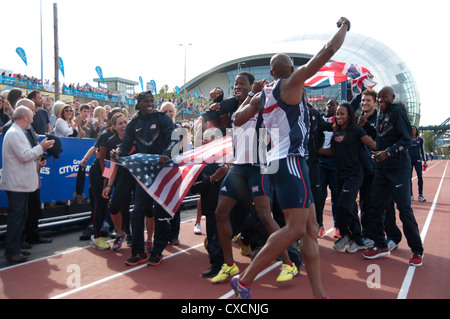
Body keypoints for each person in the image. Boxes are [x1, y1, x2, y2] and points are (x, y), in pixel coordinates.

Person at [231, 17, 352, 299]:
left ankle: (319, 294)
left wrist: (251, 95)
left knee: (310, 229)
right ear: (287, 70)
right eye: (291, 65)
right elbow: (326, 52)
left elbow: (237, 119)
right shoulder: (292, 82)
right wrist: (344, 27)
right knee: (296, 228)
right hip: (291, 162)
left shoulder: (262, 96)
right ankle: (245, 280)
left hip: (281, 162)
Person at [212, 72, 298, 284]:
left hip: (259, 166)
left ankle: (288, 263)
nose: (237, 87)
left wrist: (257, 94)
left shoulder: (263, 103)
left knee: (264, 215)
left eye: (243, 84)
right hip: (238, 166)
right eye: (236, 84)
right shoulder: (237, 106)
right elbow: (235, 119)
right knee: (220, 212)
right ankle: (229, 265)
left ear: (253, 86)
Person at [112, 91, 177, 266]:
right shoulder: (133, 123)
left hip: (163, 171)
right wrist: (118, 152)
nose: (150, 104)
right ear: (138, 104)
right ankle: (138, 251)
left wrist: (166, 154)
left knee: (160, 213)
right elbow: (126, 144)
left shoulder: (162, 118)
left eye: (152, 101)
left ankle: (157, 251)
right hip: (145, 174)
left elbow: (174, 139)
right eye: (146, 102)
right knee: (137, 211)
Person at [362, 86, 424, 266]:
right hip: (382, 168)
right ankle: (381, 245)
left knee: (404, 209)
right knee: (375, 206)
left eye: (384, 98)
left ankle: (417, 251)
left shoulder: (397, 111)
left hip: (398, 168)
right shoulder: (382, 113)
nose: (381, 101)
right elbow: (382, 137)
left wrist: (386, 153)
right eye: (379, 98)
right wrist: (367, 127)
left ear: (392, 97)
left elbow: (406, 140)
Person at [318, 103, 376, 253]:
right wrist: (315, 150)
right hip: (340, 174)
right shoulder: (336, 132)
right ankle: (350, 236)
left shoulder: (357, 130)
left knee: (345, 204)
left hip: (355, 173)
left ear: (349, 115)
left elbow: (373, 144)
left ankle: (354, 237)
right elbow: (332, 151)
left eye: (342, 114)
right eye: (337, 114)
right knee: (345, 206)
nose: (339, 117)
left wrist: (389, 150)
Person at [0, 106, 54, 263]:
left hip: (21, 183)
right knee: (16, 217)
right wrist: (41, 147)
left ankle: (15, 248)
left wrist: (37, 161)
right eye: (31, 116)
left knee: (21, 216)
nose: (33, 118)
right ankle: (12, 251)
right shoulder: (15, 133)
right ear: (24, 117)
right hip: (17, 184)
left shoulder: (17, 132)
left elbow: (24, 157)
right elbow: (24, 156)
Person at [190, 128, 229, 278]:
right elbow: (193, 189)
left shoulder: (228, 158)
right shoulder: (199, 164)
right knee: (214, 238)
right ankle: (217, 265)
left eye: (214, 139)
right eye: (208, 140)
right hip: (212, 208)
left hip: (230, 207)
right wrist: (212, 178)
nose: (210, 143)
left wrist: (230, 170)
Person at [101, 112, 133, 251]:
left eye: (125, 122)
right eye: (120, 123)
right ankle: (121, 234)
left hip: (136, 176)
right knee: (117, 207)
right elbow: (109, 164)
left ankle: (138, 237)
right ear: (114, 126)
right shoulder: (110, 141)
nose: (123, 126)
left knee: (141, 208)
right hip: (120, 176)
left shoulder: (134, 138)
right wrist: (107, 184)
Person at [317, 99, 340, 238]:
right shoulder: (320, 119)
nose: (329, 106)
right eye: (327, 104)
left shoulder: (339, 120)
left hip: (335, 162)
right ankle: (319, 225)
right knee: (319, 195)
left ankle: (337, 225)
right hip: (321, 161)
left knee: (336, 196)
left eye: (332, 104)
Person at [409, 125, 426, 202]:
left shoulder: (420, 139)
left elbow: (423, 150)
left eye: (414, 129)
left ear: (416, 131)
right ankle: (410, 195)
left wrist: (425, 161)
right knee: (408, 178)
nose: (413, 131)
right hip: (408, 161)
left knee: (420, 177)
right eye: (411, 129)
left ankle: (420, 195)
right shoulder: (407, 139)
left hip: (418, 161)